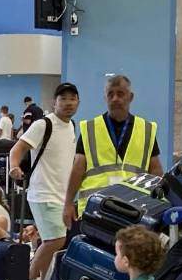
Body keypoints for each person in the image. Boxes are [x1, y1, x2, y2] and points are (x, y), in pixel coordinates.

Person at [9, 81, 80, 280]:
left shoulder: (71, 126)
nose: (68, 103)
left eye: (72, 99)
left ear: (78, 102)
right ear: (54, 102)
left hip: (62, 196)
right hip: (43, 193)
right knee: (56, 240)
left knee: (54, 242)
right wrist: (14, 167)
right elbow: (17, 149)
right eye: (63, 99)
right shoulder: (43, 124)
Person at [65, 75, 163, 222]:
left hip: (133, 209)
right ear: (105, 98)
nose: (115, 98)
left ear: (130, 97)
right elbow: (78, 168)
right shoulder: (90, 129)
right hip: (96, 208)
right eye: (110, 94)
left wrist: (159, 204)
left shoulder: (146, 129)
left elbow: (156, 171)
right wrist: (68, 203)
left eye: (120, 94)